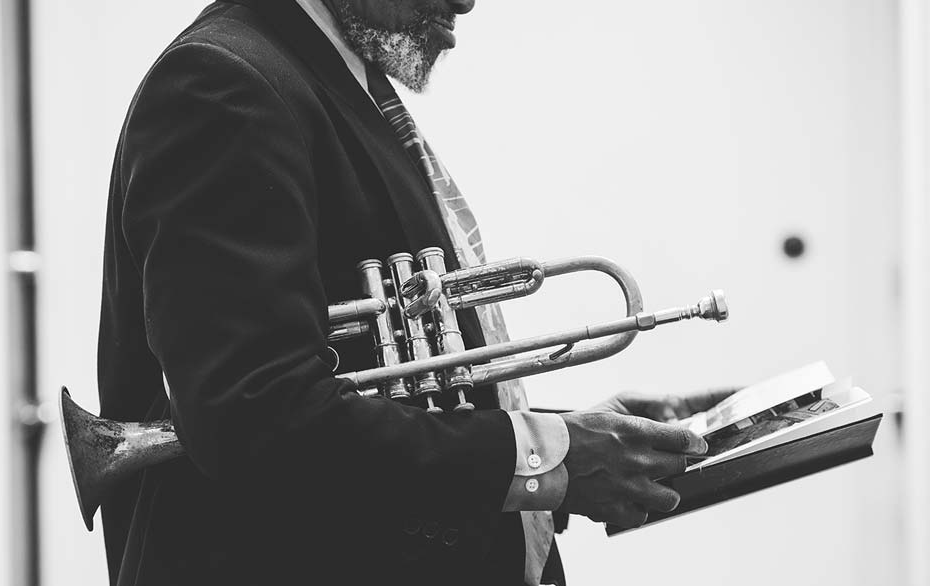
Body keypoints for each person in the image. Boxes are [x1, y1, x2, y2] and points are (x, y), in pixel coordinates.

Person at [96, 1, 730, 584]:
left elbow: (387, 386)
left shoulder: (327, 77)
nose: (467, 1)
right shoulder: (222, 85)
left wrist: (569, 437)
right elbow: (259, 419)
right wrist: (545, 455)